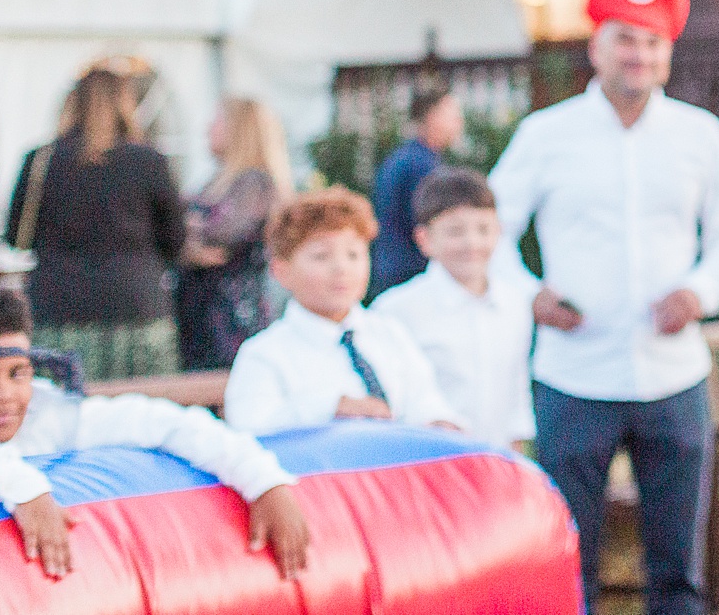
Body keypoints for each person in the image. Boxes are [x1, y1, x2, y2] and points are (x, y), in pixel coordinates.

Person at [489, 0, 719, 615]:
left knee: (678, 572)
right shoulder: (544, 136)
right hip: (574, 378)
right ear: (596, 46)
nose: (639, 55)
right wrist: (530, 295)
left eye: (652, 41)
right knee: (565, 558)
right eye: (626, 38)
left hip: (673, 380)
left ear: (668, 52)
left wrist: (700, 290)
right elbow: (487, 232)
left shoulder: (700, 134)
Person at [0, 281, 309, 581]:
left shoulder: (49, 412)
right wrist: (24, 489)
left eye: (18, 373)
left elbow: (159, 422)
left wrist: (264, 482)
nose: (4, 395)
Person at [223, 187, 462, 436]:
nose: (341, 268)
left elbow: (424, 399)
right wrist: (329, 408)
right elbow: (250, 427)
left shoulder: (389, 333)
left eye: (353, 254)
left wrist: (438, 421)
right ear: (281, 271)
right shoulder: (265, 355)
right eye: (321, 256)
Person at [3, 65, 186, 380]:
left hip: (60, 306)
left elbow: (14, 236)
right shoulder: (149, 161)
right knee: (146, 412)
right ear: (125, 105)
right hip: (137, 306)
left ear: (71, 103)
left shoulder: (41, 160)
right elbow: (175, 240)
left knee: (67, 412)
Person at [371, 169, 535, 449]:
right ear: (425, 240)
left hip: (495, 460)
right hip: (426, 463)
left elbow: (516, 392)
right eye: (456, 232)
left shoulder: (515, 304)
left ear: (499, 231)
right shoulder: (395, 311)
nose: (472, 243)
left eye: (483, 229)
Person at [176, 97, 294, 371]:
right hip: (204, 311)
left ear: (239, 129)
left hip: (230, 318)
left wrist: (187, 236)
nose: (207, 128)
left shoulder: (254, 183)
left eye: (217, 120)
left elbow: (219, 240)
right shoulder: (216, 182)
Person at [370, 88, 466, 295]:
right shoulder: (422, 166)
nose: (459, 123)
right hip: (410, 275)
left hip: (392, 269)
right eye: (453, 115)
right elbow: (426, 222)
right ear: (432, 117)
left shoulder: (407, 156)